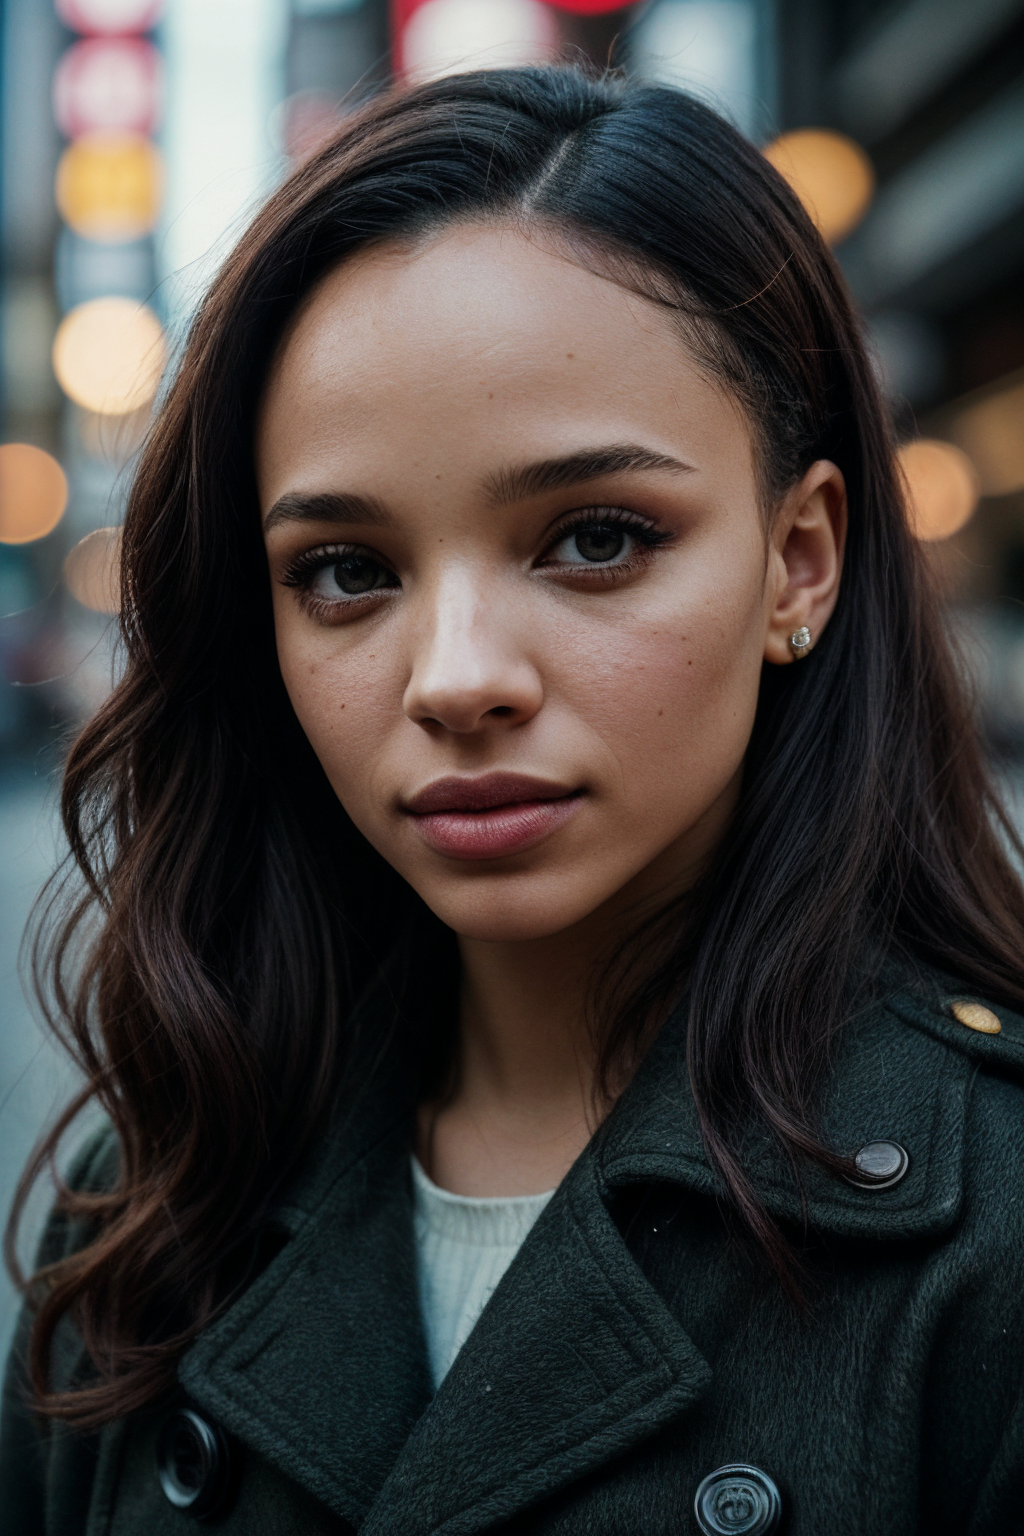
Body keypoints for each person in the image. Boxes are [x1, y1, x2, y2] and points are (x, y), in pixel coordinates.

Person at [3, 64, 1024, 1536]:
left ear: (799, 560)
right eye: (346, 571)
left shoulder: (989, 1236)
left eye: (595, 539)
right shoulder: (153, 1202)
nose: (458, 679)